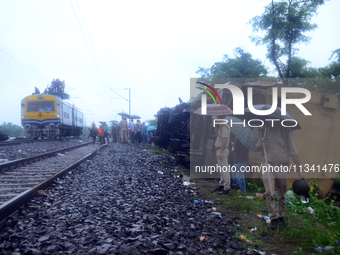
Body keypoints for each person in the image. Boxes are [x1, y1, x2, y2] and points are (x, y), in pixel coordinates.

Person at [256, 122, 305, 230]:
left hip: (283, 166)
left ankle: (280, 216)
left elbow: (293, 151)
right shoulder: (263, 131)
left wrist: (299, 169)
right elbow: (257, 148)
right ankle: (273, 217)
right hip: (268, 164)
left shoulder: (286, 131)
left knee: (281, 192)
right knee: (269, 192)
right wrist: (259, 144)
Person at [211, 115, 231, 195]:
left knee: (224, 169)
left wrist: (221, 151)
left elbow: (225, 139)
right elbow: (218, 136)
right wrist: (215, 126)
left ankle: (227, 188)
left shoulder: (224, 126)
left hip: (222, 149)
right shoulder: (221, 127)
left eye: (218, 118)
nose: (217, 119)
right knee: (221, 169)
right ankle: (221, 184)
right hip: (219, 149)